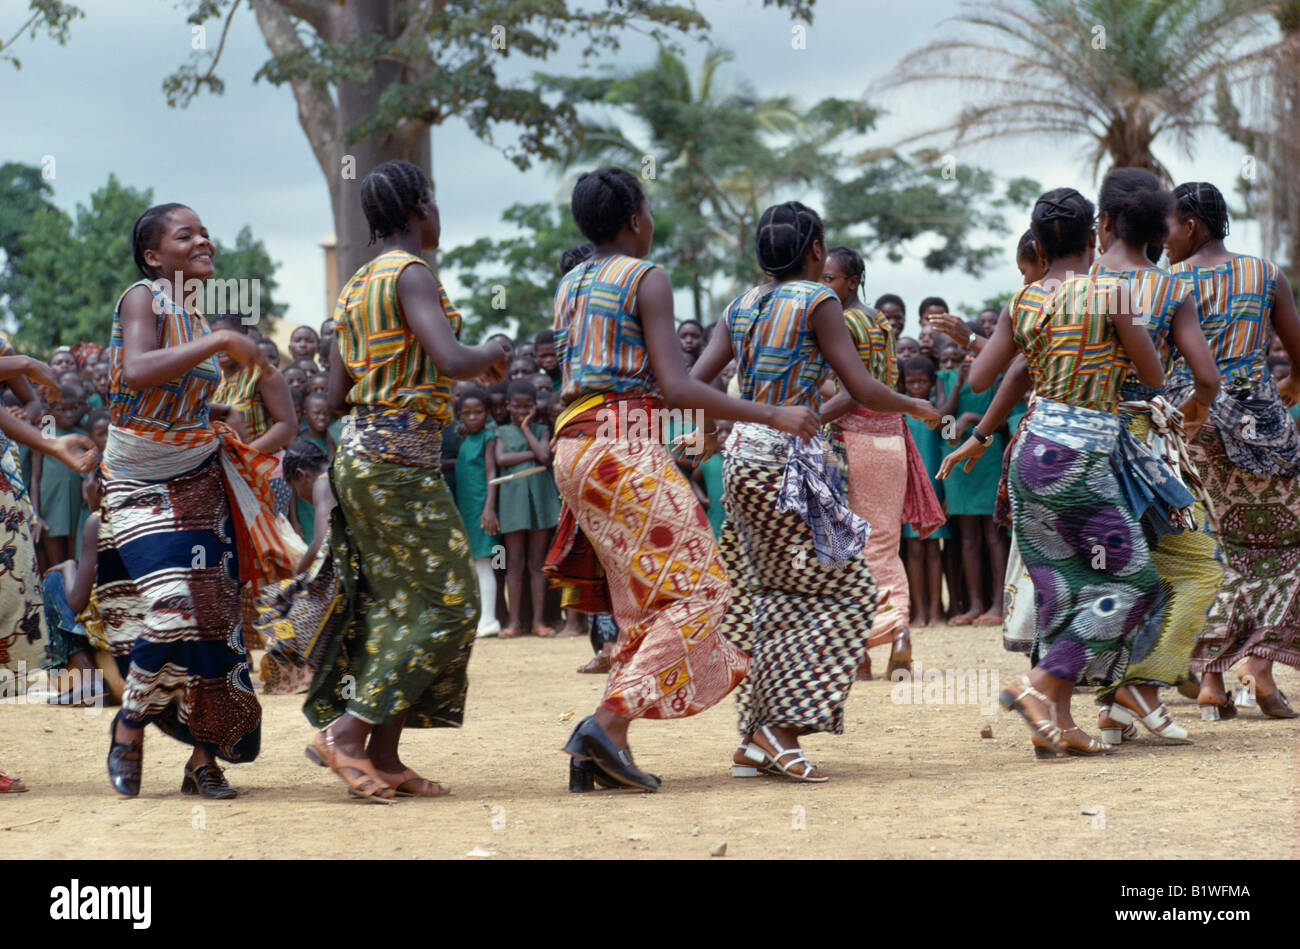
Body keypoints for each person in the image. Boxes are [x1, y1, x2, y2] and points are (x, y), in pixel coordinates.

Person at [550, 168, 819, 793]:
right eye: (647, 208)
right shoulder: (647, 277)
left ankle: (603, 749)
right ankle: (606, 724)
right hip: (623, 446)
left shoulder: (570, 282)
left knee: (642, 604)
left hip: (574, 449)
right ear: (634, 221)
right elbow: (675, 385)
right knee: (704, 592)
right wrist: (769, 412)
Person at [692, 202, 939, 781]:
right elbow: (860, 388)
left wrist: (710, 434)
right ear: (815, 253)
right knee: (851, 593)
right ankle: (780, 730)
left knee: (770, 598)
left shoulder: (741, 304)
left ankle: (755, 738)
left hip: (742, 465)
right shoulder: (818, 301)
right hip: (788, 470)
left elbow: (695, 383)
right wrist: (914, 405)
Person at [939, 187, 1170, 758]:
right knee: (1134, 584)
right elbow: (1153, 373)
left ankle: (1059, 725)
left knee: (1060, 592)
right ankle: (1036, 687)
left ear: (1038, 244)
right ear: (1094, 237)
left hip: (1031, 455)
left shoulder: (1023, 301)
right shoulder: (1112, 293)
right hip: (1081, 459)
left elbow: (980, 379)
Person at [307, 160, 507, 800]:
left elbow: (334, 394)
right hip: (397, 464)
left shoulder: (355, 285)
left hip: (362, 457)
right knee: (454, 603)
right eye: (437, 204)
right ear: (421, 208)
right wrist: (493, 350)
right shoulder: (412, 274)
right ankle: (344, 734)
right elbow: (453, 357)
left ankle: (385, 755)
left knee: (400, 606)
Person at [100, 202, 297, 799]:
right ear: (155, 256)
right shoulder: (145, 297)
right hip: (139, 483)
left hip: (201, 479)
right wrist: (221, 341)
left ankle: (203, 760)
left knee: (215, 624)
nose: (203, 240)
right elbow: (135, 370)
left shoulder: (199, 318)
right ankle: (129, 723)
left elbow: (272, 416)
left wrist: (221, 423)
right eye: (186, 234)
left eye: (205, 232)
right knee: (170, 610)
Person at [1087, 168, 1223, 743]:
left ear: (1107, 222)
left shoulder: (1081, 284)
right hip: (1149, 443)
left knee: (1112, 570)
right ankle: (1140, 689)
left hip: (1081, 442)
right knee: (1197, 567)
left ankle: (1112, 705)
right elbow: (1207, 379)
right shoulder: (1172, 290)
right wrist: (1187, 415)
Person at [1164, 181, 1300, 720]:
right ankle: (1260, 670)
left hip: (1190, 426)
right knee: (1279, 548)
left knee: (1207, 546)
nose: (1163, 236)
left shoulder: (1167, 282)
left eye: (1168, 226)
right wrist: (1288, 388)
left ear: (1191, 225)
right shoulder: (1266, 274)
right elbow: (1297, 351)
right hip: (1262, 427)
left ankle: (1213, 680)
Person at [819, 245, 943, 679]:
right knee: (885, 546)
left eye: (830, 278)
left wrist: (807, 419)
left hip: (854, 438)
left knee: (849, 546)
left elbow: (855, 391)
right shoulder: (878, 321)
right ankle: (898, 633)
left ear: (852, 281)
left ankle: (863, 648)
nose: (823, 285)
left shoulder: (840, 322)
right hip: (892, 439)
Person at [255, 440, 339, 695]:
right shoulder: (339, 472)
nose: (299, 495)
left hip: (342, 572)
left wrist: (298, 575)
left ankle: (300, 674)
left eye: (294, 488)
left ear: (302, 476)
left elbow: (320, 542)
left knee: (281, 609)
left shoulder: (323, 482)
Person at [494, 378, 560, 637]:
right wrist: (532, 452)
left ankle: (538, 621)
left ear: (534, 406)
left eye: (527, 407)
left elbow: (546, 456)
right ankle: (513, 622)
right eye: (517, 407)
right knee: (514, 562)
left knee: (537, 562)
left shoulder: (542, 429)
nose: (522, 411)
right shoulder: (499, 433)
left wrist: (525, 428)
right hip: (512, 501)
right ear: (508, 405)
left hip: (540, 499)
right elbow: (501, 458)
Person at [899, 356, 949, 628]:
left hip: (935, 492)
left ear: (932, 383)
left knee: (934, 551)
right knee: (914, 552)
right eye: (911, 382)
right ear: (903, 384)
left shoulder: (936, 415)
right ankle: (918, 611)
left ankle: (936, 611)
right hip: (909, 494)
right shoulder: (899, 413)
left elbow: (948, 437)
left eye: (923, 382)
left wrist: (946, 497)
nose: (917, 386)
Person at [453, 388, 502, 639]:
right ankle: (482, 618)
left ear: (488, 413)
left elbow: (491, 473)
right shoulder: (465, 438)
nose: (472, 417)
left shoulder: (488, 437)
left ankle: (490, 619)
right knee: (474, 564)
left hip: (481, 507)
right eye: (466, 413)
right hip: (466, 506)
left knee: (484, 564)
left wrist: (489, 508)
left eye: (478, 412)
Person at [30, 380, 89, 569]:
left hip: (74, 504)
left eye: (74, 409)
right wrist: (35, 513)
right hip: (50, 503)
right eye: (62, 409)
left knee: (73, 560)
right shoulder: (48, 429)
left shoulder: (81, 433)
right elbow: (35, 476)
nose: (69, 414)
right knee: (53, 563)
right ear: (52, 409)